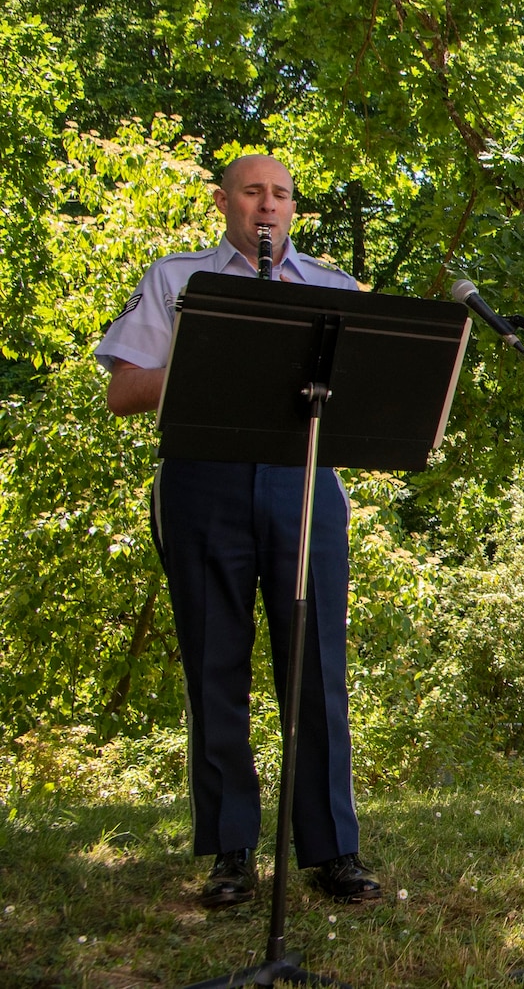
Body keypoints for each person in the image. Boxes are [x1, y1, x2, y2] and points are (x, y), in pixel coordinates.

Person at [98, 154, 382, 907]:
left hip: (306, 481)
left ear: (294, 209)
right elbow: (123, 390)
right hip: (204, 479)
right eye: (253, 192)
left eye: (281, 194)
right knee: (214, 665)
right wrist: (214, 349)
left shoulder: (333, 286)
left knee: (317, 667)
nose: (267, 206)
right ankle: (230, 852)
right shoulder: (176, 279)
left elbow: (378, 395)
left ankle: (332, 851)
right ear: (224, 200)